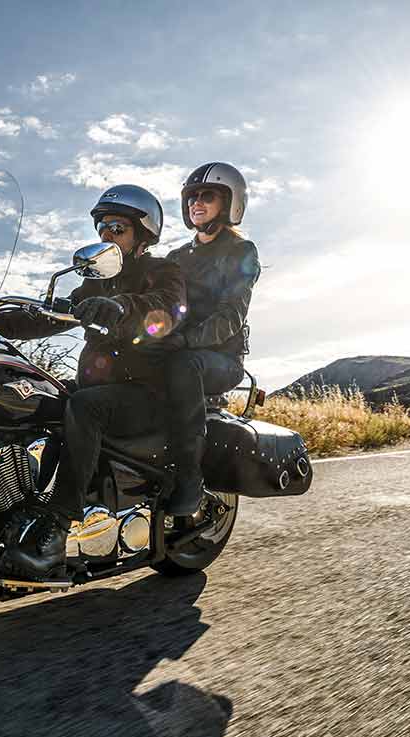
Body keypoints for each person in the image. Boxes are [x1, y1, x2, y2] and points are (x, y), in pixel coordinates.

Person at [0, 184, 186, 578]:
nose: (106, 235)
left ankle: (58, 531)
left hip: (148, 392)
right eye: (102, 228)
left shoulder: (163, 271)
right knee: (36, 396)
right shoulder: (93, 283)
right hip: (101, 386)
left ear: (142, 235)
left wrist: (122, 307)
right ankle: (19, 508)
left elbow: (167, 307)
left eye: (117, 228)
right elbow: (45, 317)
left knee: (84, 407)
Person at [146, 162, 262, 515]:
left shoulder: (241, 252)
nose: (197, 202)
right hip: (179, 350)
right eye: (191, 197)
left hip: (220, 360)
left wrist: (185, 341)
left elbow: (231, 315)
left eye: (207, 196)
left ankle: (189, 478)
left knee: (183, 365)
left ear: (229, 203)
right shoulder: (177, 257)